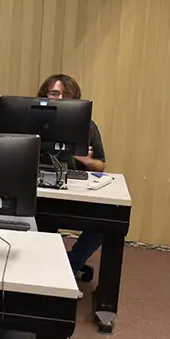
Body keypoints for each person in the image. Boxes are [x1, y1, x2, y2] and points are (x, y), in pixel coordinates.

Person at [38, 73, 105, 273]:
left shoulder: (87, 126)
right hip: (38, 193)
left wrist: (87, 161)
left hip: (73, 193)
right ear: (43, 96)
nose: (59, 99)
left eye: (66, 95)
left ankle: (70, 265)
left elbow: (101, 165)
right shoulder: (29, 122)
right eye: (54, 93)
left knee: (104, 223)